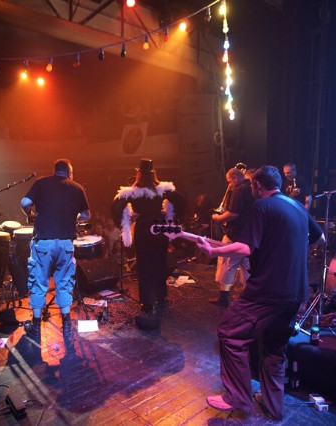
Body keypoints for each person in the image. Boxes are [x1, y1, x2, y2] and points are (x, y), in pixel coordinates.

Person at [196, 165, 324, 421]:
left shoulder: (262, 206)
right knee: (275, 349)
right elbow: (320, 239)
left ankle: (237, 397)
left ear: (257, 186)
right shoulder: (297, 206)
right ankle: (273, 406)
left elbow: (245, 248)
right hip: (296, 293)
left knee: (230, 334)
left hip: (267, 290)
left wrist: (213, 251)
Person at [111, 158, 186, 327]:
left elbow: (115, 207)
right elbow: (182, 201)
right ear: (154, 174)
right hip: (159, 229)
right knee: (159, 263)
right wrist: (174, 218)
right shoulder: (162, 190)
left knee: (145, 266)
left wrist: (125, 220)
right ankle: (160, 297)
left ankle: (147, 302)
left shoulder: (133, 192)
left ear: (138, 174)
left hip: (144, 230)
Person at [21, 159, 90, 338]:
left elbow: (25, 202)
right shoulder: (77, 188)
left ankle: (36, 326)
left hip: (43, 242)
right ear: (69, 172)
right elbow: (86, 215)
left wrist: (30, 214)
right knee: (64, 283)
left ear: (55, 170)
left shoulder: (41, 183)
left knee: (38, 282)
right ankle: (66, 325)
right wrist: (74, 218)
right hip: (65, 243)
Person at [208, 167, 254, 307]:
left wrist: (217, 218)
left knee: (227, 264)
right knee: (248, 268)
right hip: (251, 236)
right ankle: (248, 298)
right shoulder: (253, 188)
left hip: (235, 235)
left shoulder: (238, 190)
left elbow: (233, 214)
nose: (229, 185)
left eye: (229, 181)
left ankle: (224, 296)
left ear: (235, 177)